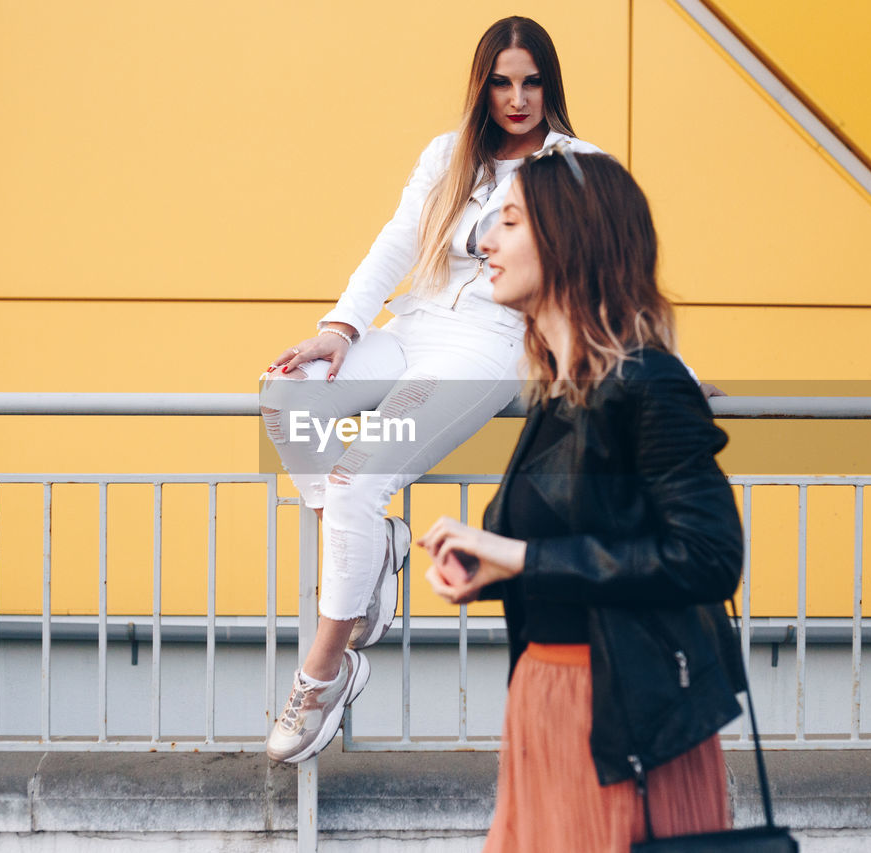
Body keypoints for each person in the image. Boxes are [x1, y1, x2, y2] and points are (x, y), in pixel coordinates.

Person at [259, 17, 603, 765]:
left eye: (532, 81)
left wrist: (639, 357)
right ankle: (369, 551)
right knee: (286, 389)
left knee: (355, 483)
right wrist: (342, 328)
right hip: (409, 327)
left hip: (480, 348)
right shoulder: (449, 156)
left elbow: (606, 271)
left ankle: (327, 665)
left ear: (551, 84)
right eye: (503, 81)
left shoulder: (576, 166)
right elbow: (395, 240)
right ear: (483, 85)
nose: (518, 98)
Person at [419, 149, 748, 851]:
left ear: (569, 236)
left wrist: (522, 555)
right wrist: (496, 569)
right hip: (548, 704)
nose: (485, 243)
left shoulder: (650, 384)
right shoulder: (560, 392)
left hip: (623, 722)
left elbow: (710, 556)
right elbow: (570, 552)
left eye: (508, 222)